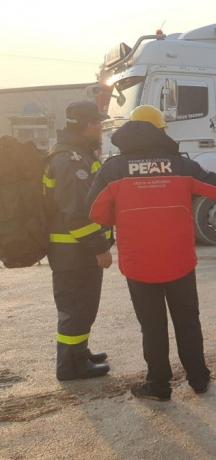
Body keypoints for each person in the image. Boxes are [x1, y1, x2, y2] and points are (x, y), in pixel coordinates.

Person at [87, 105, 216, 401]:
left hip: (139, 264)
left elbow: (94, 211)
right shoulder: (180, 165)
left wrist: (126, 215)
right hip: (178, 261)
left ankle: (159, 385)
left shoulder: (113, 169)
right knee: (188, 322)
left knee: (152, 327)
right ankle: (198, 378)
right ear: (160, 131)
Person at [43, 101, 113, 381]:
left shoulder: (77, 154)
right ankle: (71, 366)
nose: (100, 128)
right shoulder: (71, 161)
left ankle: (78, 353)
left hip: (75, 250)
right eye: (98, 123)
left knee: (82, 307)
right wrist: (100, 247)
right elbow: (76, 213)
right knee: (76, 308)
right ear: (87, 125)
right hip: (74, 251)